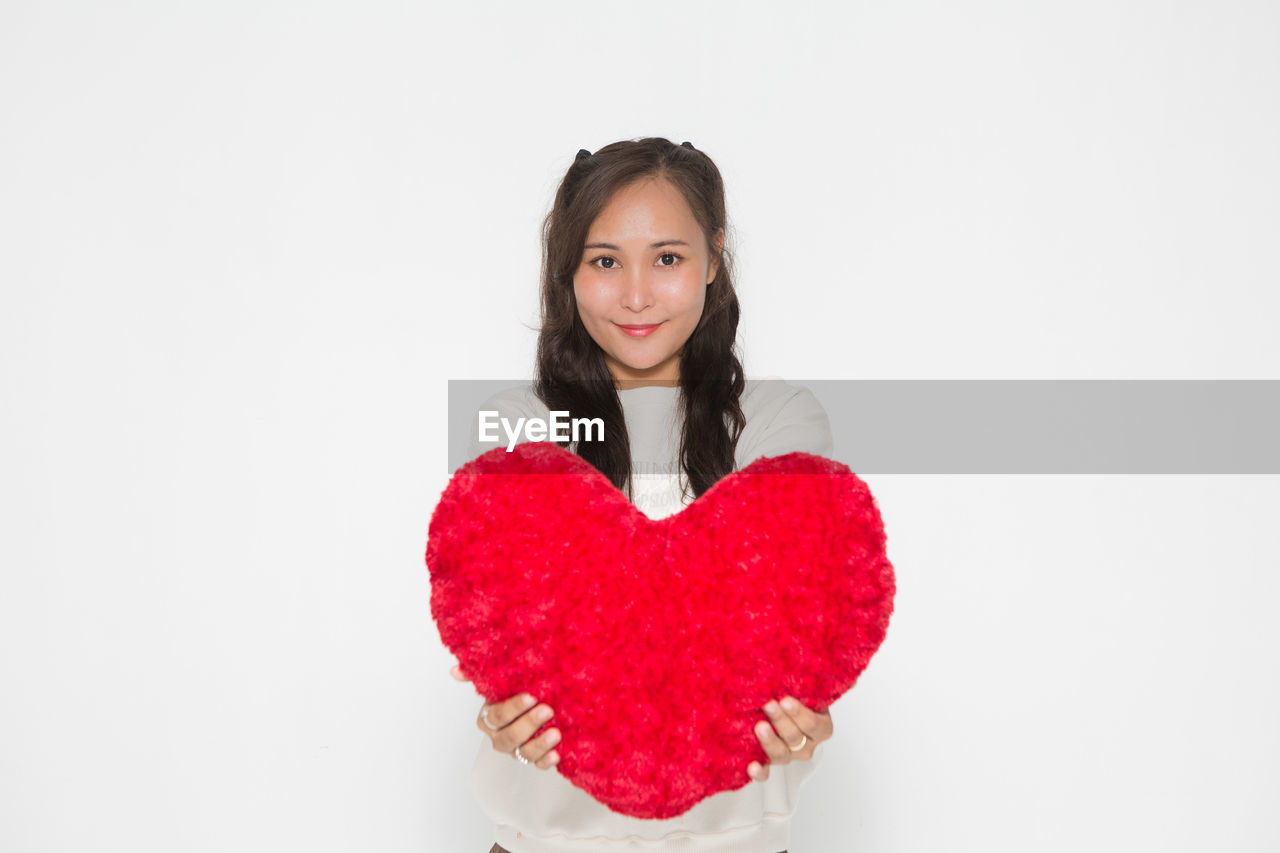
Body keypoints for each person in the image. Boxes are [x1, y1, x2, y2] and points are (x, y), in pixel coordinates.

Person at [451, 137, 837, 853]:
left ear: (714, 257)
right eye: (604, 261)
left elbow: (789, 615)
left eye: (667, 258)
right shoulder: (518, 428)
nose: (635, 295)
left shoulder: (779, 419)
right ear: (568, 271)